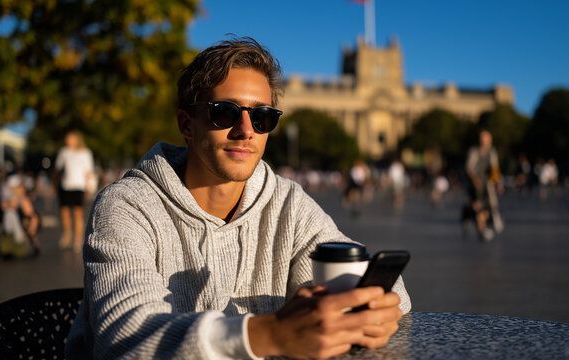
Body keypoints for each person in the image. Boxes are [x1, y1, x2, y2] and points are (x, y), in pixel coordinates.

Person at [65, 37, 411, 360]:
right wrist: (271, 334)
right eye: (225, 112)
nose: (246, 130)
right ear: (187, 124)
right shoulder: (127, 206)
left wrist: (369, 304)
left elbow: (389, 290)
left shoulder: (287, 203)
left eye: (262, 117)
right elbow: (127, 337)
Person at [54, 130, 95, 253]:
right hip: (65, 185)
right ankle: (67, 235)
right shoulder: (63, 152)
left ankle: (78, 239)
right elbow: (58, 169)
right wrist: (55, 184)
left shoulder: (86, 153)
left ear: (77, 139)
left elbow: (88, 172)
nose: (68, 141)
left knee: (78, 213)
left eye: (71, 138)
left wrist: (89, 188)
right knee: (65, 212)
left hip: (79, 186)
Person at [463, 130, 504, 241]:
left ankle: (481, 227)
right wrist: (475, 180)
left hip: (487, 185)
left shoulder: (491, 152)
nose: (486, 141)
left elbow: (495, 168)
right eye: (484, 139)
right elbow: (469, 168)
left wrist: (498, 183)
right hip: (474, 185)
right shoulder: (474, 151)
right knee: (478, 207)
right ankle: (481, 230)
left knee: (486, 207)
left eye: (488, 139)